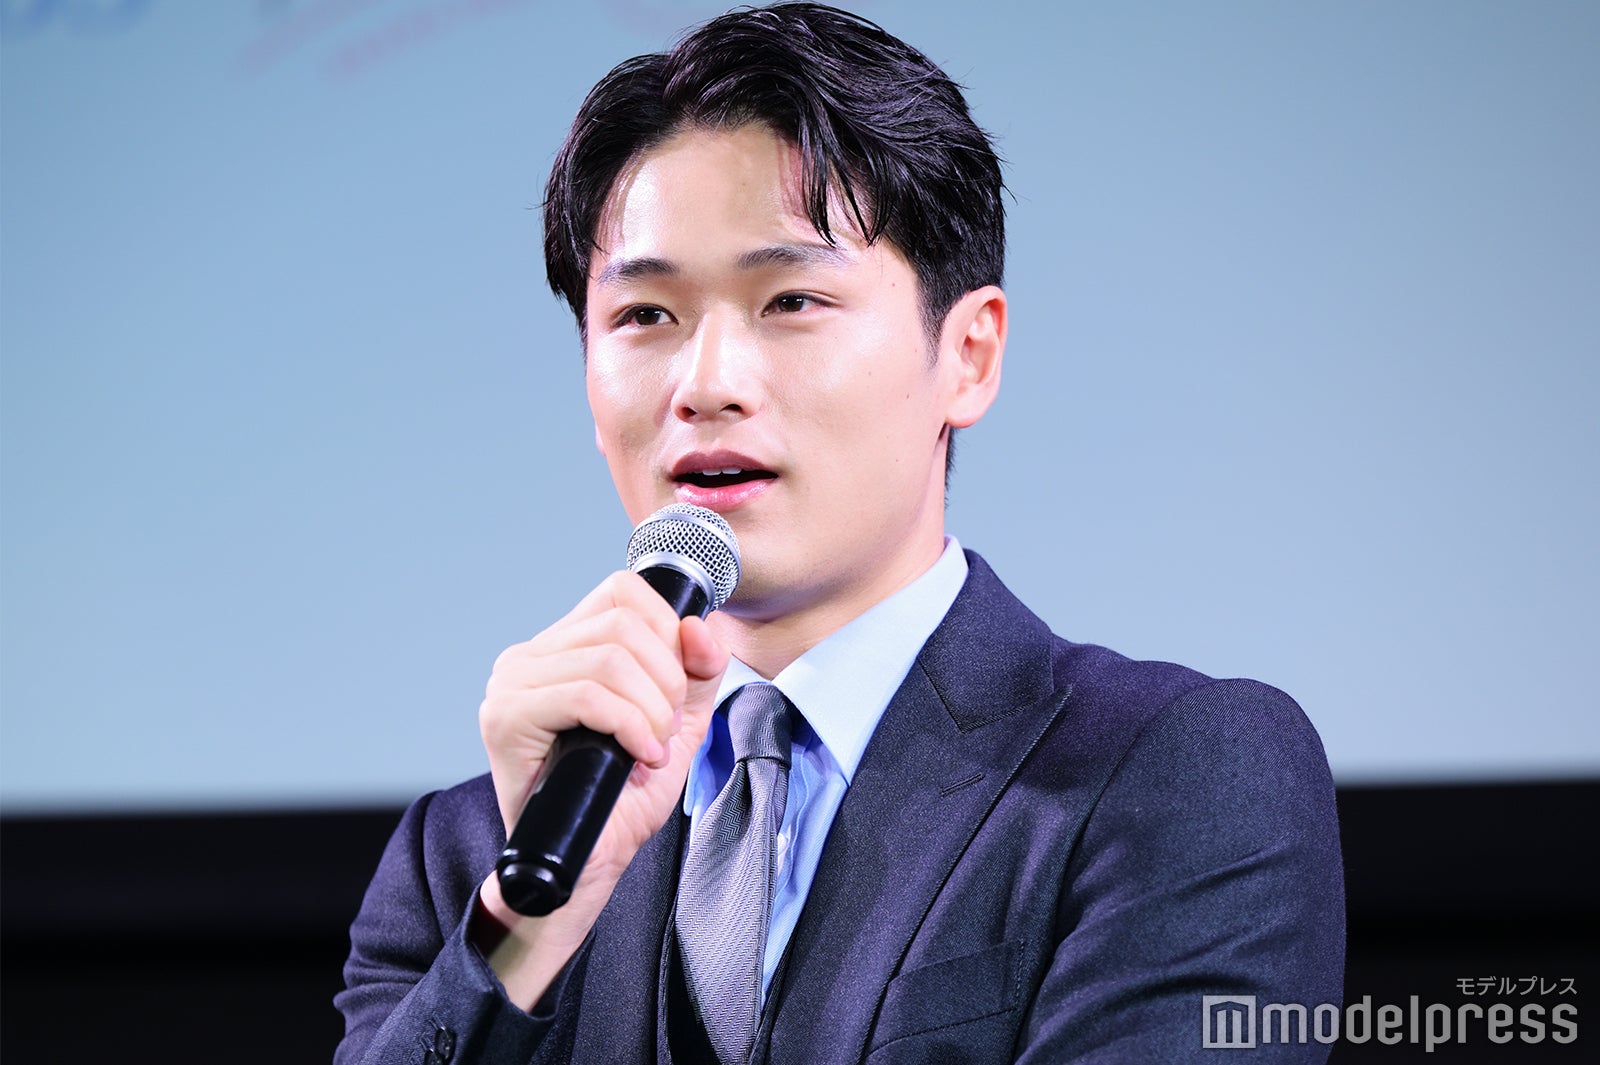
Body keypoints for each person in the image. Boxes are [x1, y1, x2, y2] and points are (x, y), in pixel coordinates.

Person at [334, 4, 1344, 1062]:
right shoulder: (472, 855)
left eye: (791, 301)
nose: (705, 385)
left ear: (968, 356)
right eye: (645, 317)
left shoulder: (1174, 776)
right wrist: (533, 923)